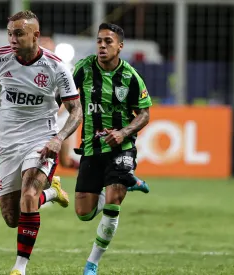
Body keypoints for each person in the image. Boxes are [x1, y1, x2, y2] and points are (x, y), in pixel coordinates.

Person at [0, 11, 82, 275]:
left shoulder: (56, 67)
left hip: (41, 141)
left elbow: (76, 110)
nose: (13, 39)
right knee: (12, 218)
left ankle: (19, 268)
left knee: (28, 196)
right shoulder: (0, 58)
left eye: (19, 34)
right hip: (7, 144)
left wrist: (58, 138)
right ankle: (52, 193)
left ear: (35, 35)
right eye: (10, 33)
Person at [71, 23, 152, 275]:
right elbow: (67, 99)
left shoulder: (130, 76)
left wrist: (124, 132)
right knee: (84, 213)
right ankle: (126, 181)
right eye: (99, 41)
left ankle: (92, 263)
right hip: (91, 148)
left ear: (120, 46)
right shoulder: (83, 70)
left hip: (122, 147)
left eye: (108, 41)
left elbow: (145, 113)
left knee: (114, 200)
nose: (102, 46)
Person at [38, 31, 81, 171]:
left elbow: (76, 90)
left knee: (64, 161)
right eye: (41, 42)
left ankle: (86, 169)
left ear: (53, 45)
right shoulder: (34, 66)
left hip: (61, 117)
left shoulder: (64, 66)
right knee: (44, 156)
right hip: (43, 117)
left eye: (47, 42)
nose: (44, 45)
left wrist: (59, 109)